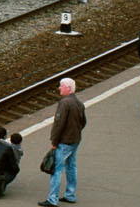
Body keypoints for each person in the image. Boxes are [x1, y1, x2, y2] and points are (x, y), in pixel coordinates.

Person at [44, 76, 84, 207]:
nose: (59, 88)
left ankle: (52, 199)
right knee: (71, 166)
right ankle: (70, 195)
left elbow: (58, 124)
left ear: (68, 88)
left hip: (64, 141)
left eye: (61, 85)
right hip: (75, 139)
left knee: (56, 169)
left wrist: (54, 141)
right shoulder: (79, 103)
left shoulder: (64, 103)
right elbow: (83, 122)